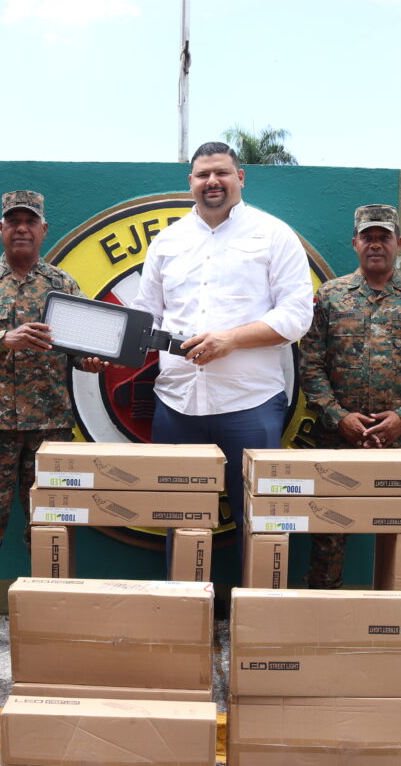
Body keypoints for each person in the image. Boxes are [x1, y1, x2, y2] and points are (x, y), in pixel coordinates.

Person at [132, 141, 314, 585]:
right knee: (180, 520)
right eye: (202, 174)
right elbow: (144, 317)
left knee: (261, 520)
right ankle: (184, 617)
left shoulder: (274, 235)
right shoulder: (168, 242)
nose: (212, 182)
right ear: (190, 182)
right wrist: (103, 344)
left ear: (240, 178)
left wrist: (230, 339)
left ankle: (259, 622)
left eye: (222, 173)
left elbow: (297, 315)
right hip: (177, 404)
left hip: (250, 405)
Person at [0, 190, 103, 575]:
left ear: (43, 229)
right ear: (1, 228)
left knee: (53, 525)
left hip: (50, 427)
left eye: (30, 221)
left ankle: (48, 613)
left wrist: (92, 361)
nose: (22, 229)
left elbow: (82, 348)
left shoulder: (62, 284)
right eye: (14, 221)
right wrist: (2, 339)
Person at [299, 203, 401, 589]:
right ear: (355, 243)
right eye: (368, 237)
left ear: (398, 243)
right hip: (338, 440)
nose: (376, 244)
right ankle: (322, 618)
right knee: (328, 534)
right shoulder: (331, 297)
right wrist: (339, 417)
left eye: (384, 237)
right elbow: (310, 365)